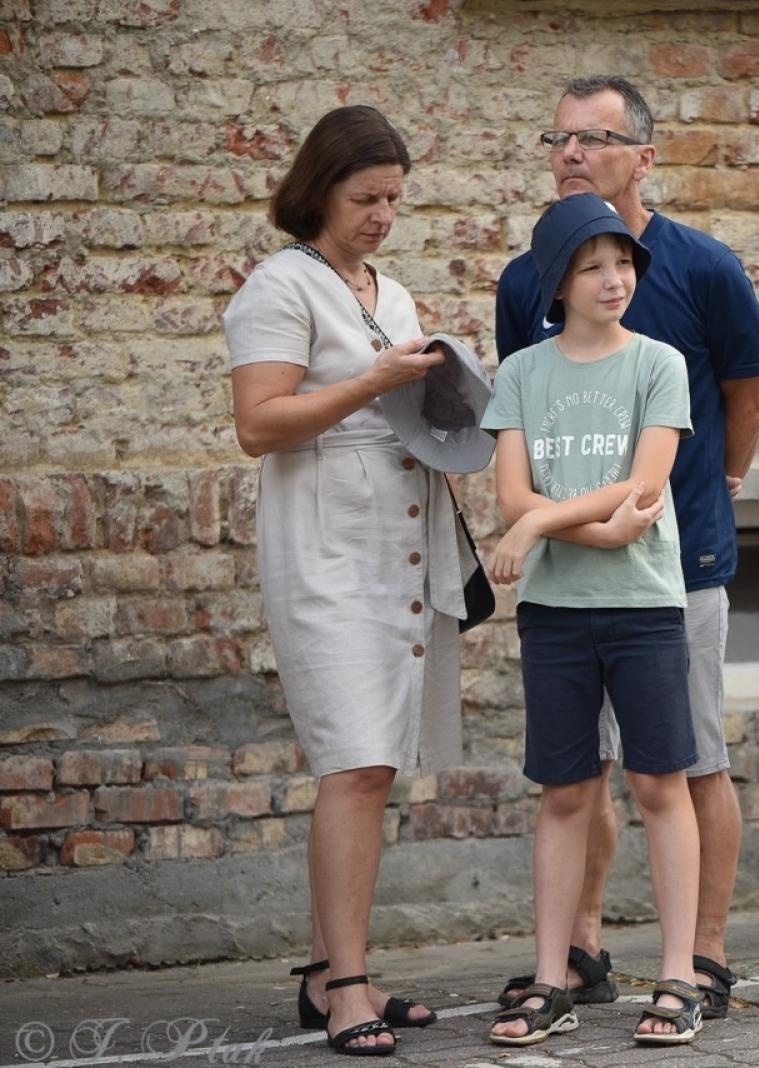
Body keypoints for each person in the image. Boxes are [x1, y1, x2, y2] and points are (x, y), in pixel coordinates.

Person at [494, 75, 759, 1018]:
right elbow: (521, 423)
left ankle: (702, 953)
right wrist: (556, 519)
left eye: (594, 139)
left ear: (643, 157)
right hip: (570, 580)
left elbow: (744, 393)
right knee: (579, 774)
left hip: (673, 564)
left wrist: (714, 491)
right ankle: (578, 947)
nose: (571, 154)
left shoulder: (702, 267)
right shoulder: (524, 284)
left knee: (688, 764)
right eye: (558, 138)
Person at [225, 105, 467, 1056]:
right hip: (325, 551)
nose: (380, 215)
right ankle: (350, 984)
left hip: (398, 544)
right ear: (319, 188)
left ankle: (331, 972)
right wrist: (374, 382)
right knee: (355, 761)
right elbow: (259, 425)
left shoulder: (390, 291)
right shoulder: (277, 288)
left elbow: (397, 403)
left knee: (379, 764)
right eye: (365, 197)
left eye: (395, 200)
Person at [482, 193, 706, 1047]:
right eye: (592, 265)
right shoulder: (522, 374)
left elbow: (645, 488)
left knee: (659, 785)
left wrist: (542, 521)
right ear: (559, 282)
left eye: (623, 263)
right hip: (556, 610)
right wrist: (568, 523)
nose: (614, 279)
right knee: (567, 791)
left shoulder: (659, 361)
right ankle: (551, 979)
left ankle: (679, 978)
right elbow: (510, 494)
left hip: (645, 604)